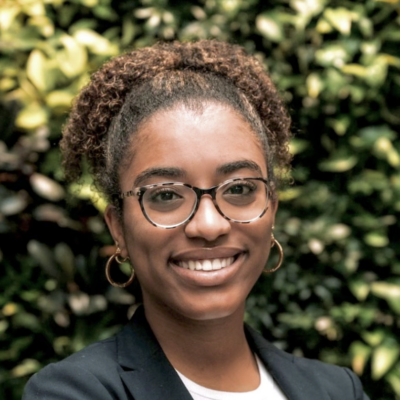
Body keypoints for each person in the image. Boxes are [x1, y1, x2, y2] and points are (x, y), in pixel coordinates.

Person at [23, 40, 369, 400]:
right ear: (118, 228)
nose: (208, 225)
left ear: (272, 210)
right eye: (166, 195)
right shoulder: (72, 392)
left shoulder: (338, 390)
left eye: (239, 189)